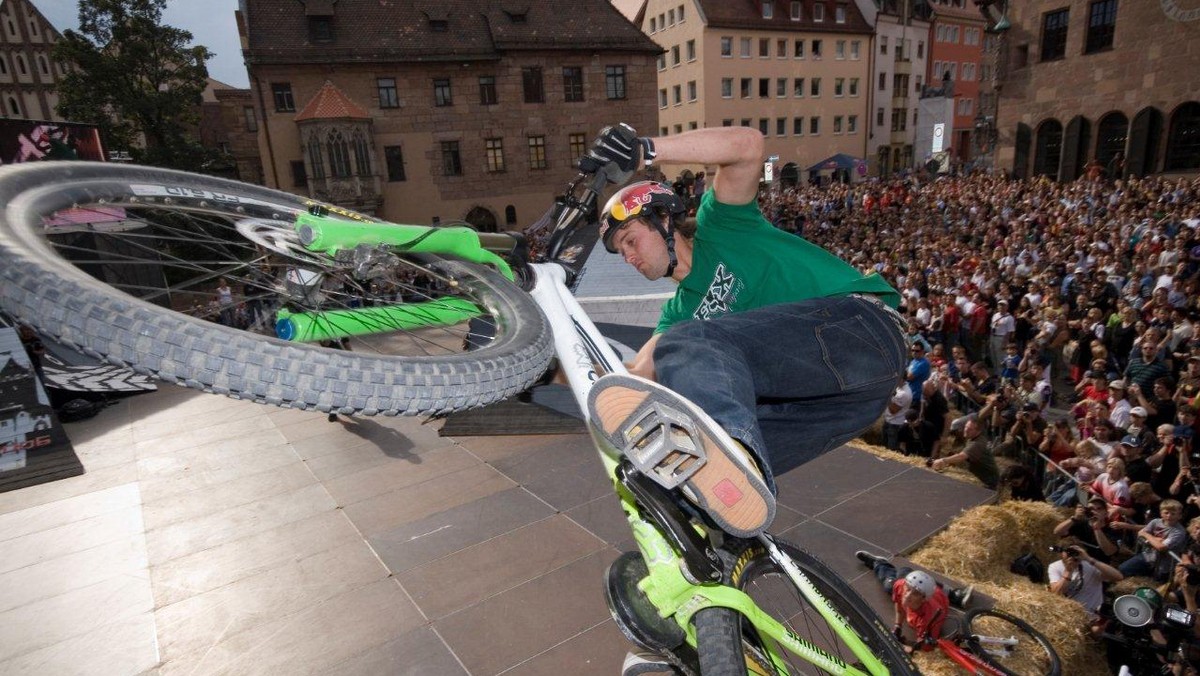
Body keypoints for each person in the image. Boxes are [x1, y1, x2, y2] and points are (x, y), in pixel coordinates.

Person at [581, 124, 905, 541]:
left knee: (687, 342)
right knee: (686, 483)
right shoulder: (678, 315)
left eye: (629, 240)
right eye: (620, 251)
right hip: (847, 402)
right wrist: (548, 367)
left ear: (663, 219)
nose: (627, 257)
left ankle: (734, 447)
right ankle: (725, 573)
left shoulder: (724, 225)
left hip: (861, 332)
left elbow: (747, 147)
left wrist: (645, 151)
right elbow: (631, 382)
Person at [854, 552, 971, 654]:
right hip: (910, 580)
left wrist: (904, 647)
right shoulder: (901, 587)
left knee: (900, 579)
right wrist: (897, 627)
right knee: (895, 579)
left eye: (915, 594)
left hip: (936, 596)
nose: (907, 595)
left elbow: (926, 646)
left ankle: (953, 594)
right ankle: (880, 563)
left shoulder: (929, 617)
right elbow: (899, 606)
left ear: (923, 599)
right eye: (908, 589)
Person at [1047, 542, 1123, 621]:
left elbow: (1118, 577)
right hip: (1070, 615)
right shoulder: (1055, 567)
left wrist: (1089, 559)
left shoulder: (1089, 565)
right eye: (1068, 552)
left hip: (1093, 615)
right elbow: (1056, 593)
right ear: (1061, 553)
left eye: (1075, 553)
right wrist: (1068, 571)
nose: (1072, 556)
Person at [931, 416, 999, 489]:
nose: (966, 430)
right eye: (966, 427)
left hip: (988, 481)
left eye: (970, 429)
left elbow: (962, 456)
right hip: (977, 476)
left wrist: (943, 461)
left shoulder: (977, 443)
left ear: (978, 431)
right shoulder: (972, 437)